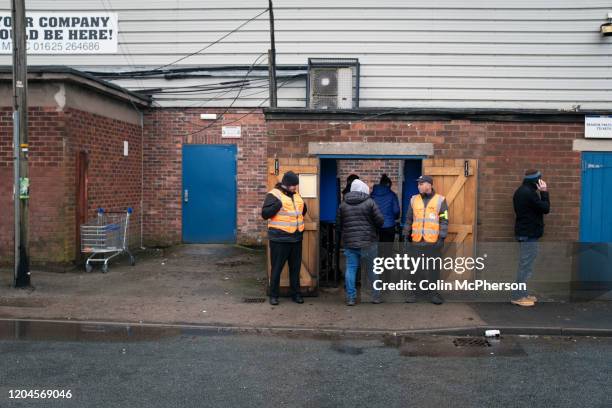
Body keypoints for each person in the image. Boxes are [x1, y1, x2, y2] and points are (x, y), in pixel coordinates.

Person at [261, 171, 307, 306]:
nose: (295, 188)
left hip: (296, 238)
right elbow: (265, 214)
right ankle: (274, 295)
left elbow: (303, 211)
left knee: (295, 269)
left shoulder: (297, 195)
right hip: (279, 239)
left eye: (296, 185)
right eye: (293, 185)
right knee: (276, 269)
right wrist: (278, 205)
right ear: (286, 184)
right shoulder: (274, 195)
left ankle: (296, 294)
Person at [336, 179, 385, 306]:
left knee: (351, 269)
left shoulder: (343, 204)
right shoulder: (370, 202)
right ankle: (376, 296)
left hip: (350, 243)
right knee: (373, 270)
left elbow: (338, 225)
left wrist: (346, 235)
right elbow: (380, 221)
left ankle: (351, 297)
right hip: (369, 242)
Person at [404, 175, 449, 305]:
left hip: (433, 243)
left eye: (421, 183)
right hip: (417, 242)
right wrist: (406, 236)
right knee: (414, 270)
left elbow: (444, 220)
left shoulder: (440, 200)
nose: (418, 186)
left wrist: (441, 238)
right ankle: (413, 293)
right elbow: (408, 220)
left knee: (433, 270)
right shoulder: (413, 200)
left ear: (429, 185)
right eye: (418, 184)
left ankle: (433, 294)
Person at [511, 169, 550, 307]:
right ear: (536, 180)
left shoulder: (522, 191)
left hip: (526, 233)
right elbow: (545, 208)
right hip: (528, 235)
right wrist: (544, 192)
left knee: (525, 265)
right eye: (540, 179)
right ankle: (518, 296)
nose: (541, 182)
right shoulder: (529, 193)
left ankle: (523, 293)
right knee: (525, 266)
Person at [371, 174, 400, 243]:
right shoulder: (392, 195)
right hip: (389, 225)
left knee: (375, 249)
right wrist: (394, 218)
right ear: (388, 184)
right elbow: (396, 210)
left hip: (375, 226)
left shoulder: (372, 195)